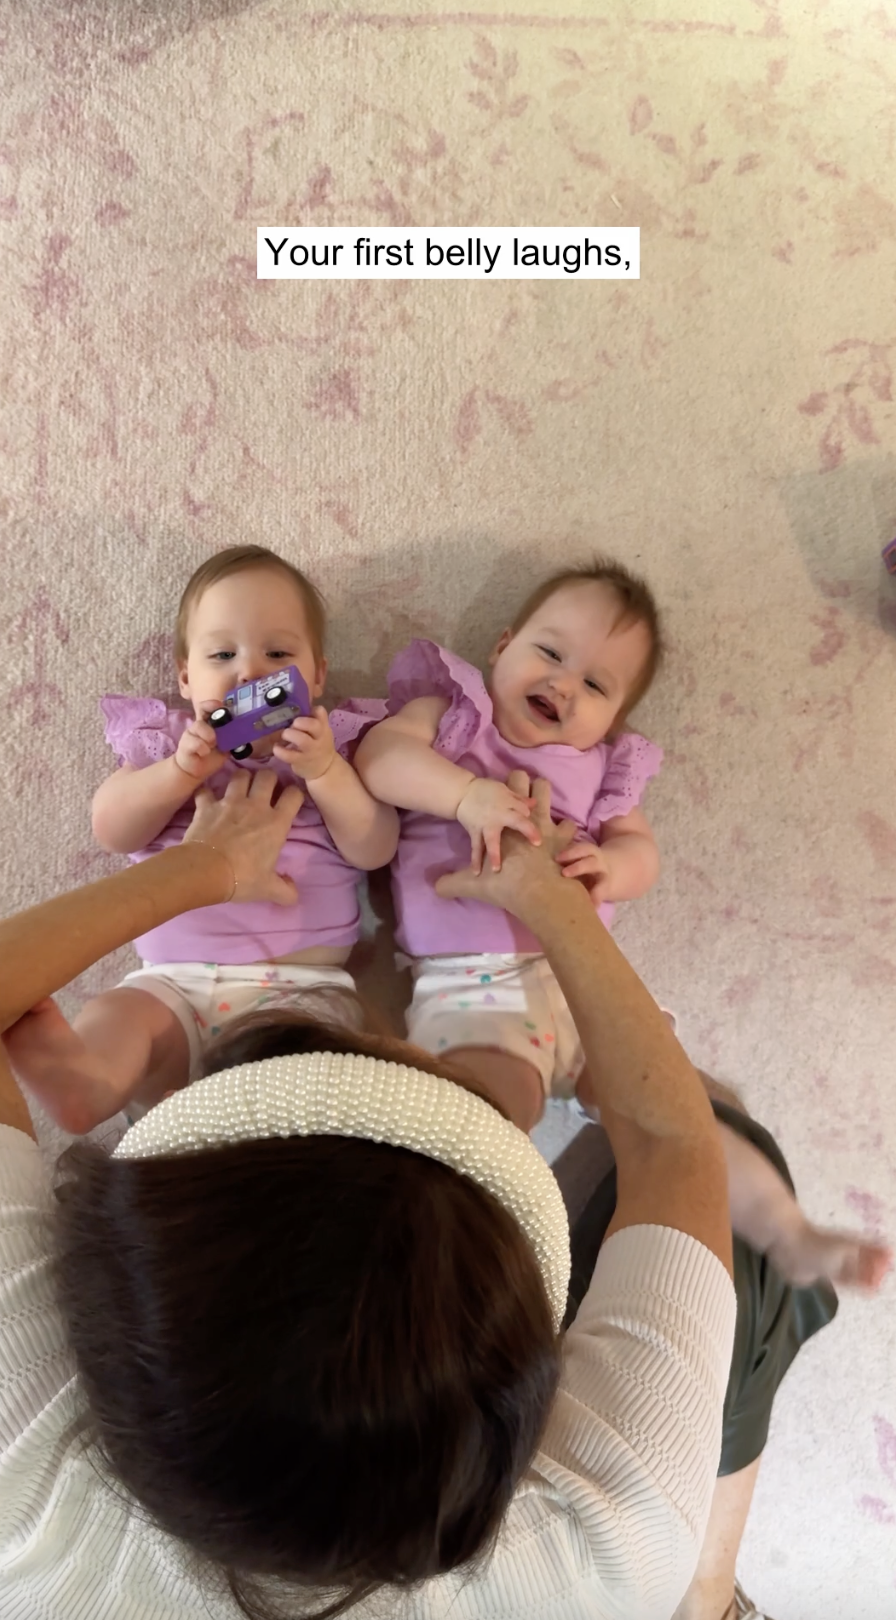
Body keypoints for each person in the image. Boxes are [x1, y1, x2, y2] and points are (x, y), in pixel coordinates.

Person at [0, 767, 837, 1620]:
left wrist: (203, 864)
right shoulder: (616, 1535)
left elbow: (664, 1143)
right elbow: (676, 1138)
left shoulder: (22, 1498)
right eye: (435, 1077)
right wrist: (551, 905)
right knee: (732, 1146)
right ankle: (709, 1599)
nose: (391, 1033)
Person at [353, 559, 891, 1290]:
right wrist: (465, 796)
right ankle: (442, 1252)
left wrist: (612, 866)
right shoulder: (455, 716)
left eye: (597, 686)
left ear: (614, 719)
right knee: (484, 1107)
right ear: (502, 646)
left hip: (587, 980)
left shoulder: (602, 769)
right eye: (550, 652)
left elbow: (642, 853)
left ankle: (785, 1231)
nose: (564, 684)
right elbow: (380, 759)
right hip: (470, 984)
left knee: (677, 1111)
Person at [4, 544, 398, 1135]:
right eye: (222, 655)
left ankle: (233, 1126)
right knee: (119, 1016)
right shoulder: (166, 746)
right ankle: (86, 1081)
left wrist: (325, 773)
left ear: (317, 674)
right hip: (172, 982)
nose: (250, 673)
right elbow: (112, 828)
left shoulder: (336, 749)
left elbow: (375, 848)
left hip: (301, 988)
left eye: (278, 654)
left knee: (322, 1067)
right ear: (186, 676)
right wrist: (177, 774)